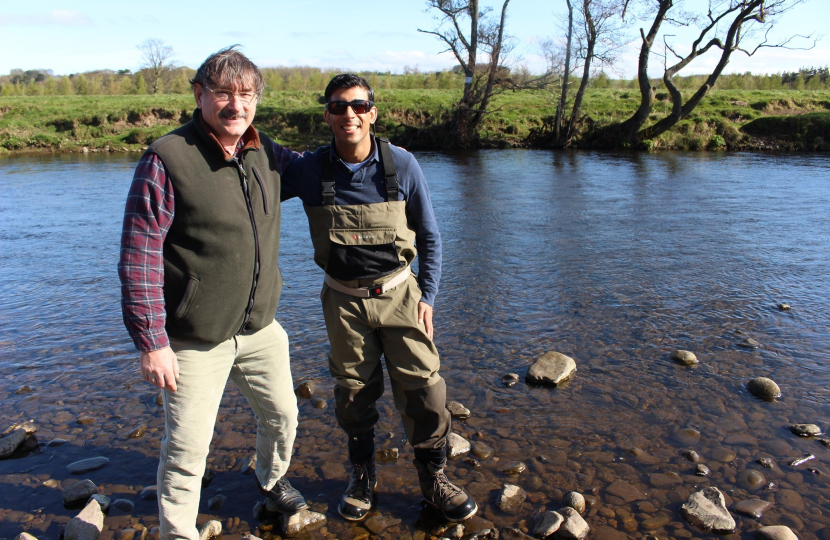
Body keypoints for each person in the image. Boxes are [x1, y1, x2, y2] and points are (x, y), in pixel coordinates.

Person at [118, 46, 306, 540]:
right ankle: (176, 533)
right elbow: (139, 258)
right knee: (187, 449)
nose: (236, 105)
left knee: (284, 415)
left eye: (246, 95)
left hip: (261, 328)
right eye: (223, 93)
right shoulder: (167, 159)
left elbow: (325, 172)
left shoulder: (266, 152)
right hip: (194, 339)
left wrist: (380, 158)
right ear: (199, 94)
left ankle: (269, 481)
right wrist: (152, 341)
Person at [282, 74, 477, 523]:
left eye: (356, 105)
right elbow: (252, 187)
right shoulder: (309, 170)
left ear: (372, 112)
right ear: (327, 115)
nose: (347, 114)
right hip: (344, 303)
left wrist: (428, 296)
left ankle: (434, 479)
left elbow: (430, 236)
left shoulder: (402, 165)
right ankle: (362, 476)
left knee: (427, 390)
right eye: (336, 107)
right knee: (353, 395)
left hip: (401, 294)